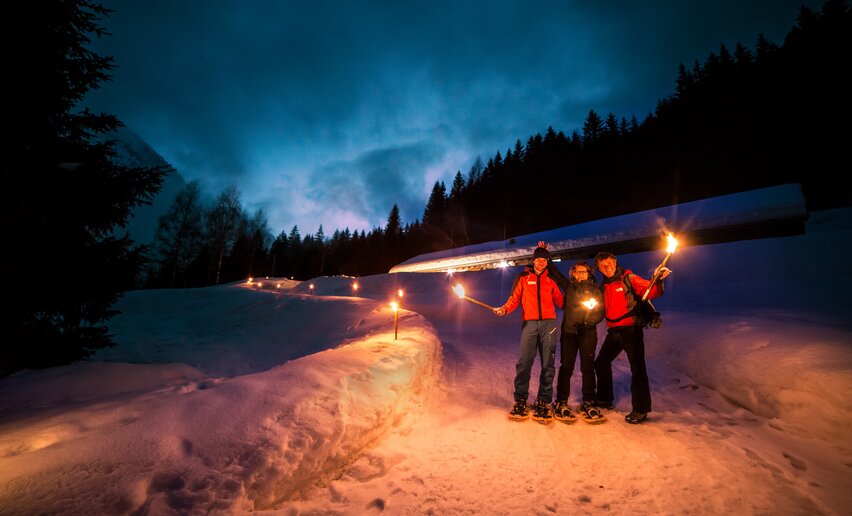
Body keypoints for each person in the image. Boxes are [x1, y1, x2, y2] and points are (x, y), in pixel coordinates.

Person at [593, 251, 670, 424]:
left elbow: (651, 291)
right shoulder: (603, 287)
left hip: (631, 330)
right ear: (599, 268)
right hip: (614, 332)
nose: (607, 268)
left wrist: (657, 279)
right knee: (601, 363)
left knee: (637, 368)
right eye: (602, 266)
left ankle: (641, 409)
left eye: (609, 264)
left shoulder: (629, 278)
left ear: (615, 262)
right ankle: (605, 398)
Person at [494, 245, 564, 423]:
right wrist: (504, 309)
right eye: (538, 259)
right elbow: (514, 299)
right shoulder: (523, 277)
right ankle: (521, 399)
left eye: (544, 260)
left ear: (547, 262)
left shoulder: (551, 280)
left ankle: (544, 400)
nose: (541, 262)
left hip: (549, 324)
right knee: (525, 362)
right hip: (529, 324)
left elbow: (562, 302)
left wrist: (577, 302)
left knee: (548, 363)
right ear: (533, 261)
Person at [546, 258, 605, 423]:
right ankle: (561, 401)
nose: (580, 274)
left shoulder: (595, 290)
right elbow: (555, 274)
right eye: (577, 272)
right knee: (566, 367)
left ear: (588, 273)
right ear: (573, 274)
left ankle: (588, 401)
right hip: (569, 333)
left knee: (588, 367)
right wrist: (547, 257)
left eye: (583, 271)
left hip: (588, 334)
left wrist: (589, 322)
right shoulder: (570, 287)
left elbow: (600, 311)